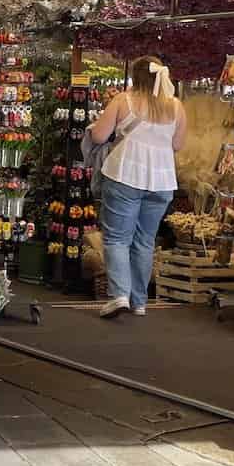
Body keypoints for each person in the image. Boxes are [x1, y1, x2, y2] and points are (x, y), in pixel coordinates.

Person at [88, 56, 187, 319]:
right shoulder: (176, 107)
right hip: (162, 181)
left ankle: (119, 295)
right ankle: (139, 302)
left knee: (117, 238)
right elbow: (177, 145)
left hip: (125, 173)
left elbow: (98, 135)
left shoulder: (123, 100)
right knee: (145, 241)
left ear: (136, 77)